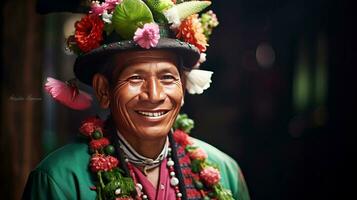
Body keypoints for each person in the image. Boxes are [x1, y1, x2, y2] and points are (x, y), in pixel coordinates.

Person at [23, 0, 250, 199]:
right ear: (104, 90)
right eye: (135, 78)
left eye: (167, 78)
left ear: (182, 84)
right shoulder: (60, 180)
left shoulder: (225, 173)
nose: (154, 95)